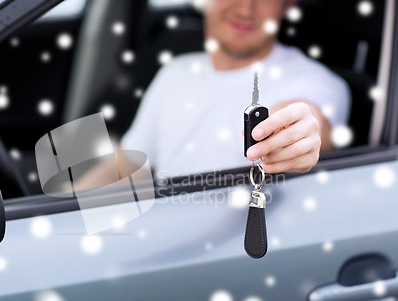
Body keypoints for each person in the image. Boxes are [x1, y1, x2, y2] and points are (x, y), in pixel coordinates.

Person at [119, 0, 350, 177]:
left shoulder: (317, 82)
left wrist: (298, 135)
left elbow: (308, 120)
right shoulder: (174, 72)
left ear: (288, 4)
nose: (245, 9)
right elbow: (125, 166)